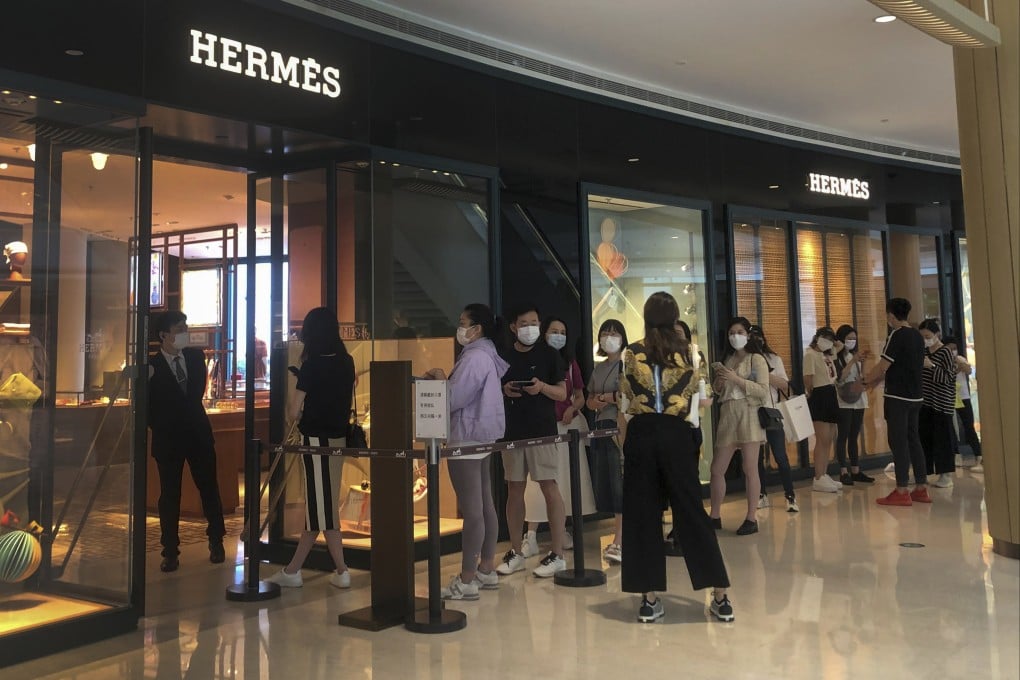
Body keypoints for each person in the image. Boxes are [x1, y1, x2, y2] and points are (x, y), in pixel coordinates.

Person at [619, 291, 732, 623]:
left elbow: (625, 403)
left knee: (643, 514)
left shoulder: (631, 353)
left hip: (642, 434)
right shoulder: (692, 353)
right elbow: (703, 398)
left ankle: (649, 598)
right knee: (691, 512)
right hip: (678, 435)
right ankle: (721, 596)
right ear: (674, 317)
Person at [265, 307, 355, 588]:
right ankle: (296, 569)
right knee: (322, 504)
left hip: (315, 441)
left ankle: (340, 569)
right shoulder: (346, 361)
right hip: (339, 439)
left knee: (321, 506)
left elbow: (293, 411)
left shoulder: (312, 365)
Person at [425, 304, 508, 600]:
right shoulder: (487, 355)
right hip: (483, 437)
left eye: (463, 322)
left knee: (472, 510)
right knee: (485, 505)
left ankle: (467, 578)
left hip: (466, 437)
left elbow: (455, 397)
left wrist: (438, 381)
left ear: (477, 328)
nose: (459, 328)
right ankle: (486, 567)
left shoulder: (474, 358)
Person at [495, 303, 569, 578]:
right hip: (512, 432)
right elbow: (495, 388)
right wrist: (505, 389)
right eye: (524, 323)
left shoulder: (550, 355)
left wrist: (541, 388)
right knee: (514, 489)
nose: (530, 329)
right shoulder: (503, 356)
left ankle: (558, 553)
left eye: (534, 323)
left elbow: (562, 394)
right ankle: (516, 551)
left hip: (542, 431)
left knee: (549, 487)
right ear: (514, 327)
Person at [148, 311, 226, 572]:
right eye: (179, 328)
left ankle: (216, 540)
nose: (185, 332)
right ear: (164, 335)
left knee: (208, 488)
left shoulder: (195, 357)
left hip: (198, 434)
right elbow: (147, 409)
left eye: (185, 327)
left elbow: (195, 393)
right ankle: (170, 550)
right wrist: (162, 424)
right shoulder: (151, 366)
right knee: (170, 496)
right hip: (168, 439)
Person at [521, 317, 595, 557]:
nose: (558, 335)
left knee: (562, 481)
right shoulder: (536, 359)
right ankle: (530, 534)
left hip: (565, 429)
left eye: (562, 332)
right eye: (554, 331)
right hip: (540, 429)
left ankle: (560, 530)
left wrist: (573, 409)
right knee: (535, 484)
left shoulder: (570, 363)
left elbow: (579, 395)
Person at [862, 298, 931, 506]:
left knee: (898, 442)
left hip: (898, 398)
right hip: (916, 397)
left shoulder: (897, 335)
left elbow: (884, 366)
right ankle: (921, 487)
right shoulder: (918, 337)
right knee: (914, 440)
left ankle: (901, 489)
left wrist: (865, 381)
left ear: (891, 316)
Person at [710, 317, 769, 535]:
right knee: (717, 469)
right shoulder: (727, 359)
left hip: (749, 414)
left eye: (740, 332)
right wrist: (720, 382)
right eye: (732, 332)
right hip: (728, 415)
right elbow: (718, 390)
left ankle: (751, 517)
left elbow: (763, 390)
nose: (735, 336)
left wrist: (736, 379)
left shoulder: (756, 359)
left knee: (750, 467)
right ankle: (715, 515)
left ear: (748, 334)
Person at [586, 319, 627, 564]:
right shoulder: (599, 368)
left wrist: (605, 397)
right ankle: (618, 535)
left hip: (618, 428)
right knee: (608, 484)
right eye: (605, 333)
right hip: (600, 427)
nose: (609, 337)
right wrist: (598, 400)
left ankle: (620, 539)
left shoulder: (628, 364)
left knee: (619, 482)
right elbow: (589, 398)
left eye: (614, 333)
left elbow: (627, 395)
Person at [749, 325, 799, 513]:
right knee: (757, 458)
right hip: (753, 412)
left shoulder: (774, 358)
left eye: (758, 336)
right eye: (752, 337)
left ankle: (790, 496)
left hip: (771, 412)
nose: (756, 340)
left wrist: (765, 374)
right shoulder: (745, 360)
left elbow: (784, 385)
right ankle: (761, 494)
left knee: (780, 456)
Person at [833, 324, 875, 486]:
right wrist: (853, 361)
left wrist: (862, 363)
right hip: (844, 399)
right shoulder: (836, 355)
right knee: (843, 434)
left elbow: (861, 376)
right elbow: (840, 377)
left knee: (854, 434)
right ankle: (843, 470)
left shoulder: (854, 355)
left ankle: (856, 470)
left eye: (854, 339)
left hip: (858, 398)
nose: (851, 341)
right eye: (848, 338)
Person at [917, 319, 957, 488]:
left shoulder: (945, 352)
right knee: (925, 437)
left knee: (943, 439)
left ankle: (945, 474)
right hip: (925, 402)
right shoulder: (923, 352)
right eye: (923, 337)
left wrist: (931, 366)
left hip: (942, 403)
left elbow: (948, 378)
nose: (926, 339)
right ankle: (924, 472)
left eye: (928, 336)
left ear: (937, 334)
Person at [804, 327, 843, 493]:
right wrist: (812, 393)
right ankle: (818, 476)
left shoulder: (827, 354)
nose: (828, 341)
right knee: (822, 438)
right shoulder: (810, 354)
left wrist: (834, 344)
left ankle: (824, 473)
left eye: (830, 338)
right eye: (824, 337)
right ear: (817, 337)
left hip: (830, 392)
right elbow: (808, 379)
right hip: (819, 394)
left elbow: (839, 347)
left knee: (830, 437)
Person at [943, 336, 982, 472]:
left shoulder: (961, 358)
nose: (953, 351)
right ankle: (956, 455)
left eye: (954, 348)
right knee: (951, 427)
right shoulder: (943, 361)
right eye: (950, 348)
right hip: (948, 396)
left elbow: (968, 370)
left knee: (968, 426)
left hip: (963, 396)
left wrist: (959, 363)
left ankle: (978, 455)